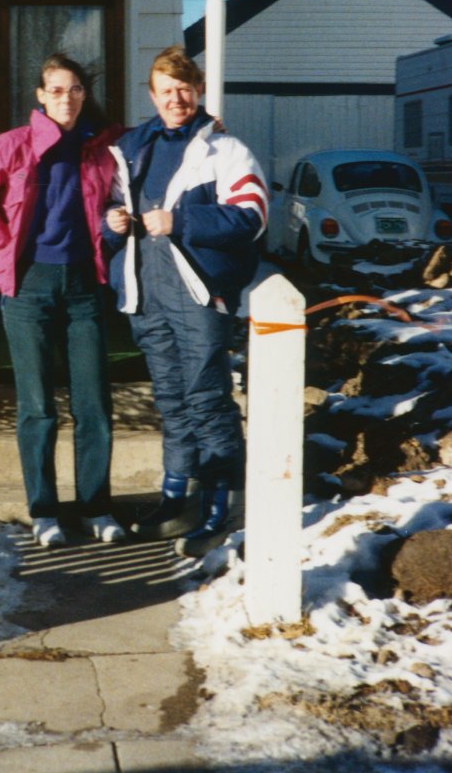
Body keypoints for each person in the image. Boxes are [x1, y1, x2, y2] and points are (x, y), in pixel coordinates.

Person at [0, 53, 125, 549]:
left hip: (85, 285)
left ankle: (97, 507)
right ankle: (44, 510)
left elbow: (156, 144)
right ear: (41, 97)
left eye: (75, 89)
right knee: (38, 405)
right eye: (57, 90)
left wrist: (203, 126)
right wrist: (0, 236)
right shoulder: (13, 146)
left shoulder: (103, 146)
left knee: (93, 403)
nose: (67, 98)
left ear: (85, 95)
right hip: (29, 287)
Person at [103, 46, 268, 557]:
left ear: (197, 92)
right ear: (152, 96)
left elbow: (253, 215)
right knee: (172, 402)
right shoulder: (131, 148)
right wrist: (108, 224)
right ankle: (176, 500)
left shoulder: (225, 150)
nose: (175, 98)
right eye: (165, 90)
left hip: (199, 292)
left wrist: (181, 222)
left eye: (184, 89)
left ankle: (219, 508)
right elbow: (111, 212)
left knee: (207, 400)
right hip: (147, 291)